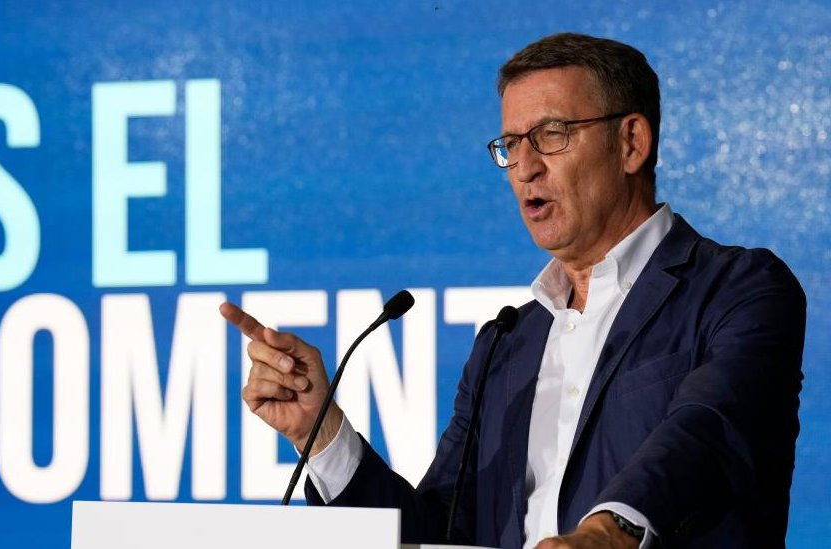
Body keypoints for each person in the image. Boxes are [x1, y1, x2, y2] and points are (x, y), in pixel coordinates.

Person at [220, 33, 805, 548]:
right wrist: (320, 432)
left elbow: (708, 428)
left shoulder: (739, 289)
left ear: (631, 142)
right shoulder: (506, 344)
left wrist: (611, 530)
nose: (523, 166)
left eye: (551, 135)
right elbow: (437, 537)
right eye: (510, 145)